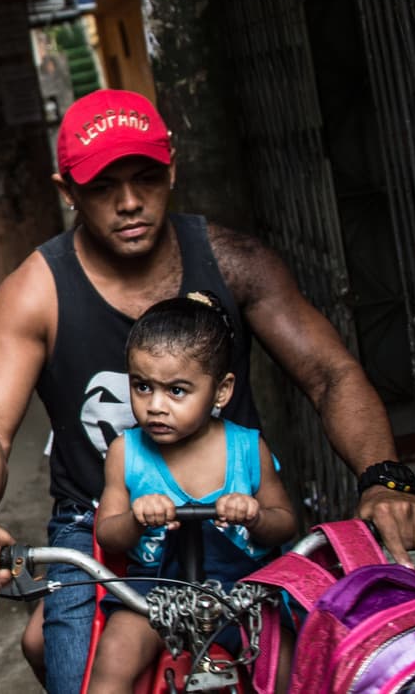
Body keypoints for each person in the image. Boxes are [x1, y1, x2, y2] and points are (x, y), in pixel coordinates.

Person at [0, 88, 415, 694]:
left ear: (172, 168)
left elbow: (330, 373)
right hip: (102, 524)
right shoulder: (36, 291)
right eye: (101, 187)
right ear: (67, 191)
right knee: (80, 677)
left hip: (235, 509)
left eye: (145, 178)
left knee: (315, 665)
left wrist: (385, 480)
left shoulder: (232, 261)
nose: (128, 203)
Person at [89, 292, 296, 693]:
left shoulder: (248, 449)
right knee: (114, 654)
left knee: (287, 662)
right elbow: (107, 534)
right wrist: (134, 518)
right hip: (156, 594)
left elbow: (285, 523)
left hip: (244, 593)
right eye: (143, 386)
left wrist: (255, 515)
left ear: (221, 391)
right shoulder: (125, 452)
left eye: (177, 391)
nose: (156, 406)